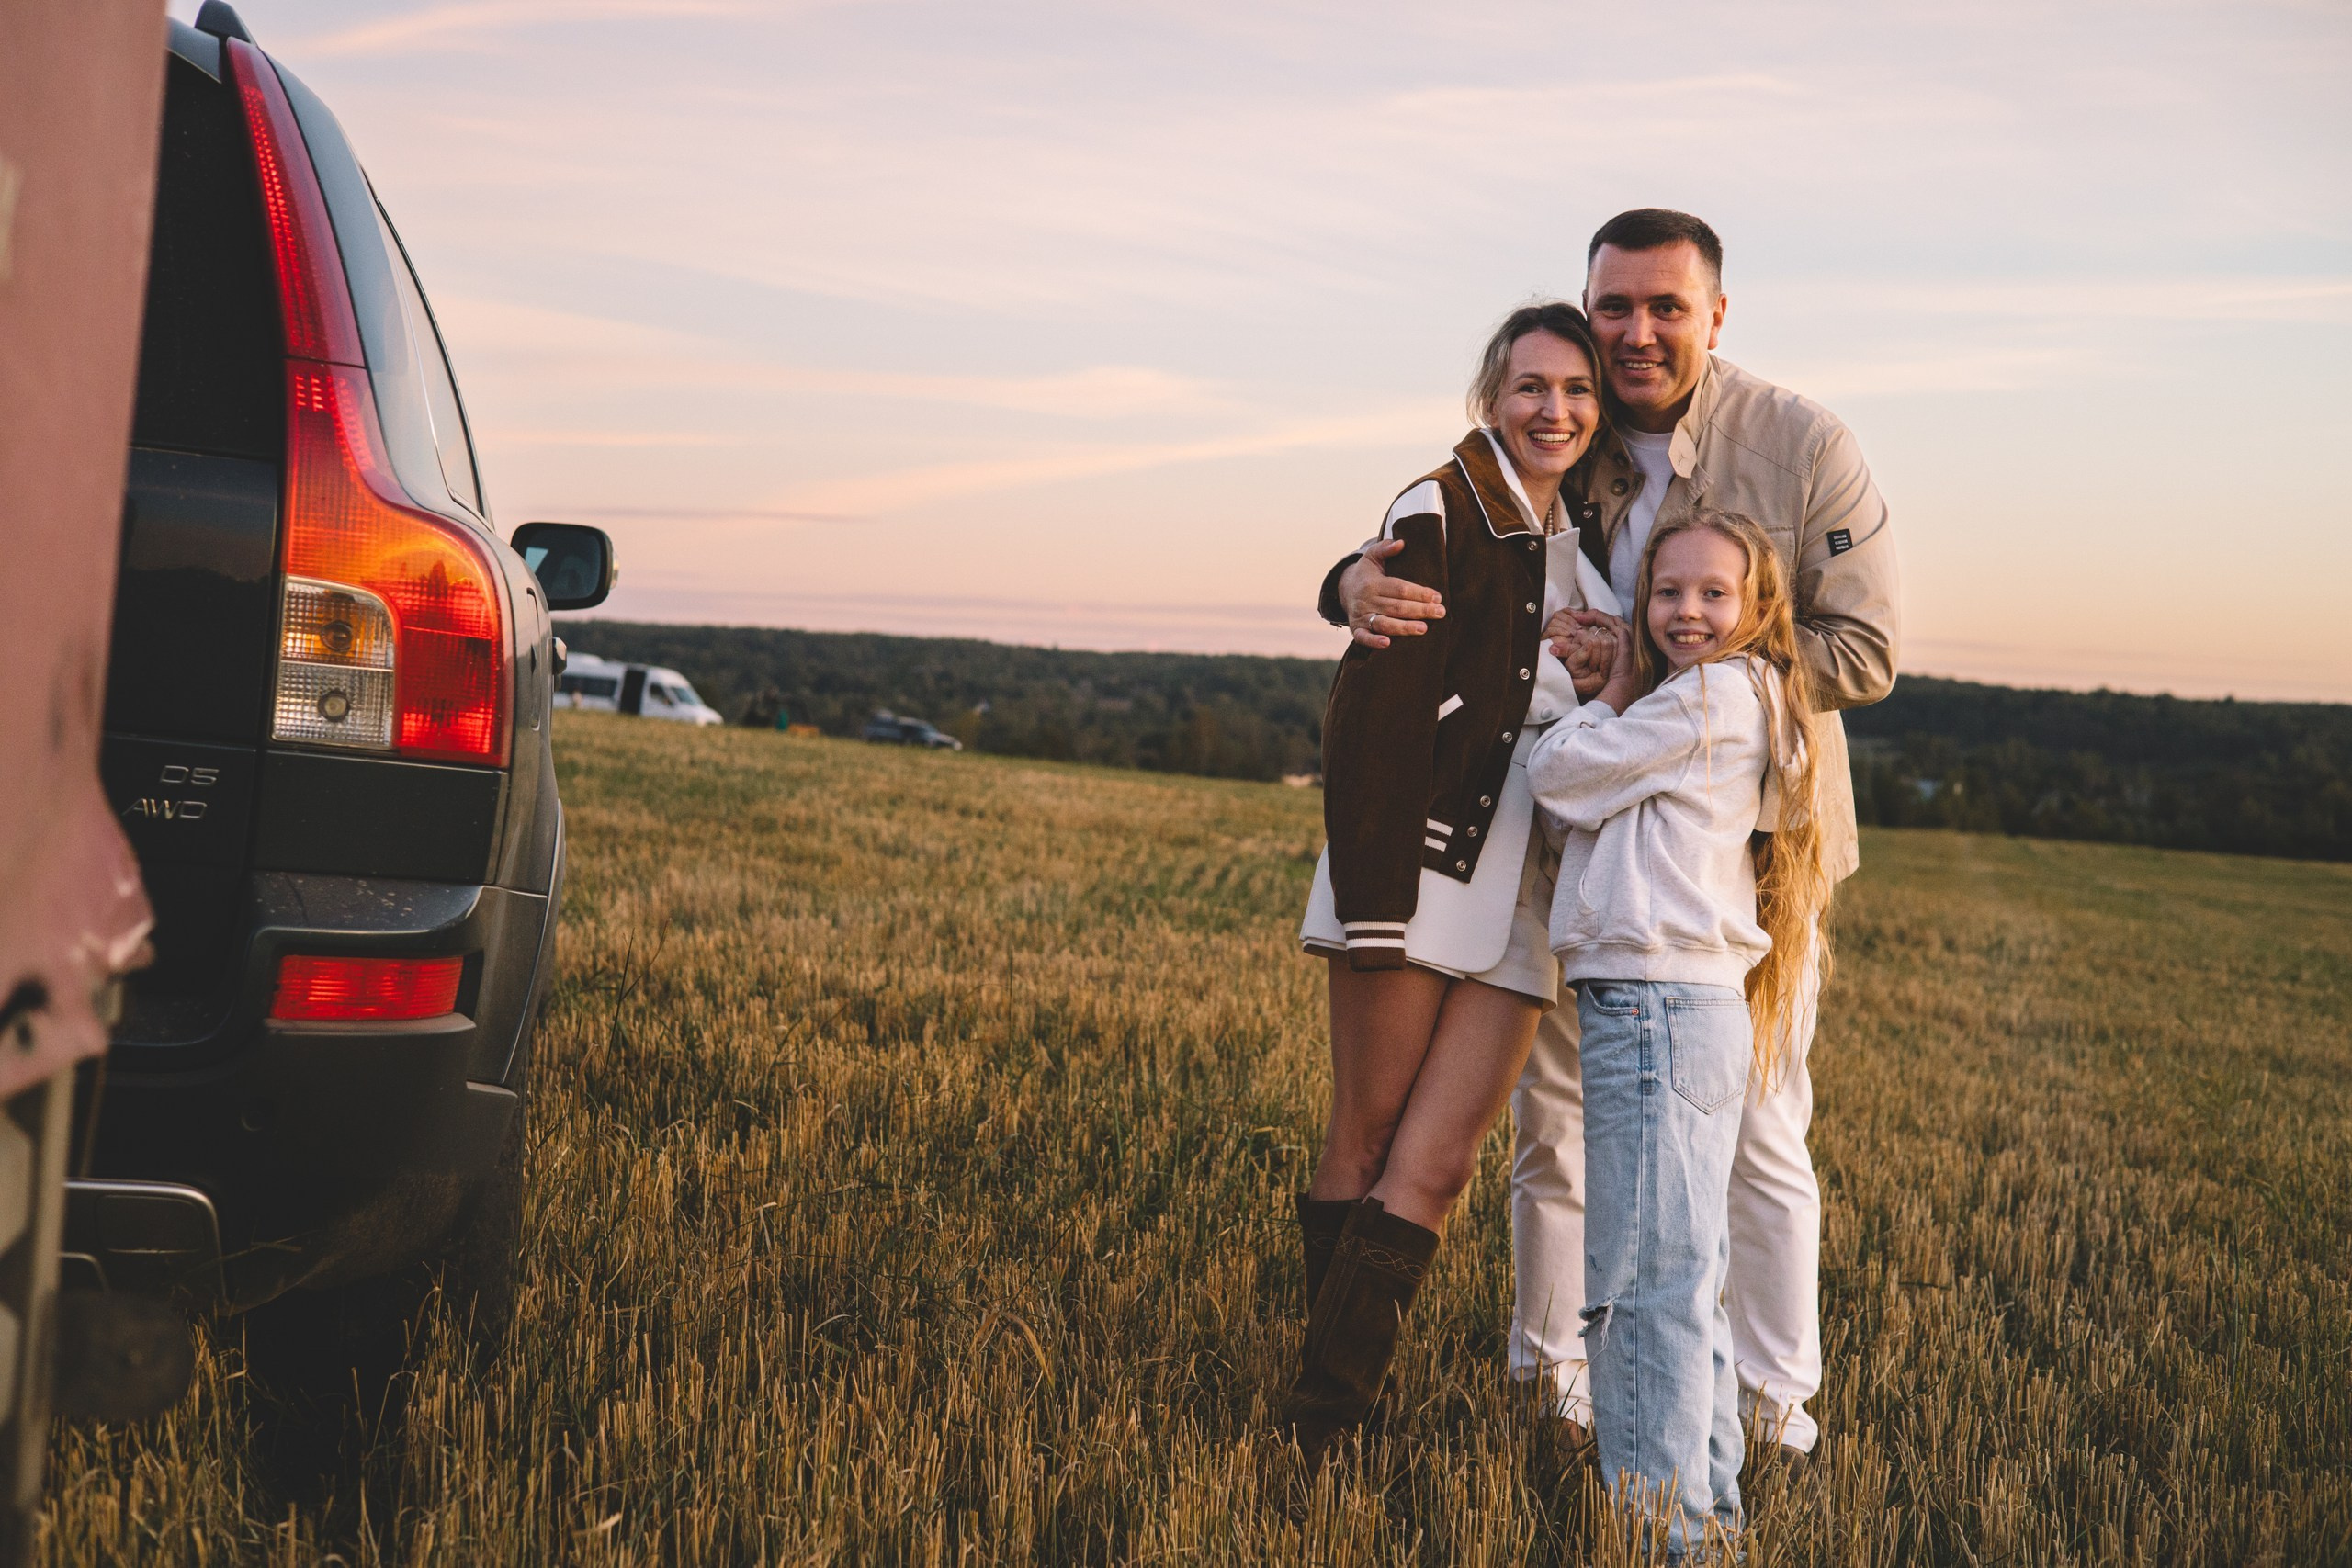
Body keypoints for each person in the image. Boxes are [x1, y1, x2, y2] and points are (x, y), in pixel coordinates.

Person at [1318, 209, 1900, 1462]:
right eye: (1613, 308)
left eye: (1665, 307)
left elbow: (1866, 649)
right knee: (1556, 1114)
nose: (1636, 332)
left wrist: (1680, 675)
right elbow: (1458, 540)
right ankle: (1550, 1369)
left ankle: (1770, 1397)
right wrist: (1347, 583)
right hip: (1577, 840)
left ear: (1716, 314)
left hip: (1752, 846)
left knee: (1757, 1118)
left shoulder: (1802, 444)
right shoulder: (1568, 435)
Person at [1284, 301, 1621, 1463]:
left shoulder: (1584, 536)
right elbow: (1371, 714)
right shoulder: (1438, 505)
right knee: (1367, 1140)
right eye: (1532, 386)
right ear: (1491, 395)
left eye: (1577, 392)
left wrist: (1604, 664)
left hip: (1529, 884)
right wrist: (1374, 912)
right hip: (1417, 871)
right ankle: (1323, 1428)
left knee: (1439, 1161)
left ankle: (1328, 1406)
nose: (1555, 410)